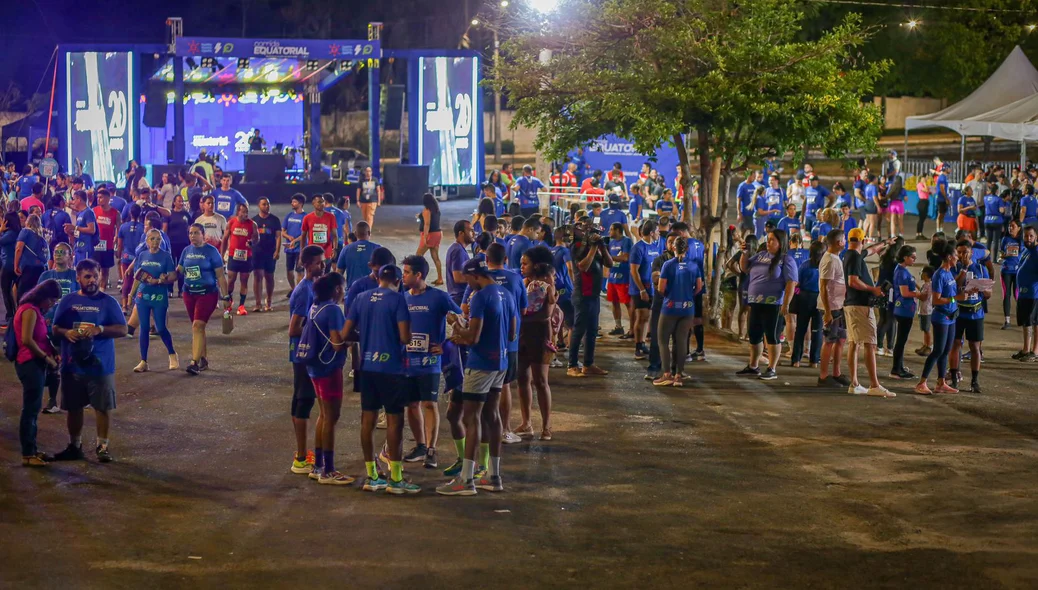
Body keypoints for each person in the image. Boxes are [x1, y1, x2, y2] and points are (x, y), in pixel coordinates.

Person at [439, 258, 515, 496]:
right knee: (492, 417)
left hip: (481, 363)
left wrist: (456, 325)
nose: (467, 284)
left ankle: (467, 480)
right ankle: (494, 476)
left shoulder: (481, 297)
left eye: (467, 279)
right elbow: (512, 332)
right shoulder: (506, 294)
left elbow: (472, 337)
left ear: (475, 276)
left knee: (472, 419)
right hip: (501, 363)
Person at [344, 264, 418, 494]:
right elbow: (405, 337)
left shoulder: (361, 298)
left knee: (368, 420)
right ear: (397, 280)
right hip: (391, 368)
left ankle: (372, 475)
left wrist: (366, 336)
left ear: (378, 278)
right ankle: (396, 478)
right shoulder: (398, 300)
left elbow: (346, 333)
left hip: (366, 367)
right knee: (395, 421)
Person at [49, 259, 128, 463]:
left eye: (95, 275)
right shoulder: (68, 301)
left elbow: (123, 329)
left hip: (101, 366)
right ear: (78, 278)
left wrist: (100, 329)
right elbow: (55, 329)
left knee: (102, 407)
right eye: (87, 276)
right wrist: (67, 333)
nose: (92, 280)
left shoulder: (109, 302)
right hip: (72, 365)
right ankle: (75, 446)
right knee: (74, 408)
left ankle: (103, 447)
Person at [401, 255, 461, 468]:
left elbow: (461, 318)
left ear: (419, 275)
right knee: (411, 404)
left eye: (407, 272)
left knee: (429, 403)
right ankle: (419, 446)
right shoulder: (402, 298)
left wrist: (446, 344)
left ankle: (431, 450)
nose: (403, 275)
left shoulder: (439, 297)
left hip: (430, 363)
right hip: (407, 362)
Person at [301, 271, 354, 486]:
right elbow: (336, 343)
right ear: (338, 289)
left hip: (314, 368)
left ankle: (318, 466)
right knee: (332, 417)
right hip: (329, 369)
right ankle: (329, 471)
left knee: (323, 415)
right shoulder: (333, 310)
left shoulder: (315, 306)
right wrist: (350, 342)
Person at [13, 279, 62, 466]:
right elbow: (27, 340)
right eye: (51, 300)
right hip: (29, 363)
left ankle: (32, 450)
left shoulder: (35, 310)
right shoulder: (29, 311)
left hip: (34, 363)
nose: (52, 304)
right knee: (30, 410)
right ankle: (28, 454)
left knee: (33, 410)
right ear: (42, 296)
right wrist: (46, 358)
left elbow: (40, 337)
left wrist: (52, 352)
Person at [736, 229, 798, 381]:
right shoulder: (761, 255)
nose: (768, 242)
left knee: (772, 336)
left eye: (772, 240)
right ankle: (753, 366)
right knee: (754, 335)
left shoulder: (786, 260)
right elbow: (744, 268)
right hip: (755, 302)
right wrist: (744, 253)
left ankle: (772, 368)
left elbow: (791, 283)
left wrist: (786, 303)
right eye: (768, 239)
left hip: (773, 304)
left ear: (780, 242)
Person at [286, 245, 325, 477]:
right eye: (319, 262)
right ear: (307, 264)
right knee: (304, 402)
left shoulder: (311, 287)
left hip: (303, 353)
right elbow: (294, 328)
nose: (323, 265)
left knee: (301, 401)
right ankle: (301, 458)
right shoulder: (303, 291)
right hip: (303, 354)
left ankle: (302, 454)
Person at [842, 228, 894, 397]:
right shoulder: (855, 257)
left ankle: (855, 383)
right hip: (860, 305)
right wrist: (874, 289)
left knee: (854, 343)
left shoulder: (852, 255)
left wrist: (886, 242)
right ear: (862, 240)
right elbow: (853, 281)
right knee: (870, 343)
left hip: (853, 304)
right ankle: (874, 384)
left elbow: (871, 250)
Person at [178, 223, 231, 375]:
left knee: (197, 326)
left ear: (203, 234)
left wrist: (225, 296)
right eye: (190, 233)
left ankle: (194, 362)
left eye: (195, 233)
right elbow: (179, 270)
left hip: (207, 294)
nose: (192, 236)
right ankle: (203, 359)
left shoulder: (212, 251)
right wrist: (166, 276)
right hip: (189, 294)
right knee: (198, 328)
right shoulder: (186, 251)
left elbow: (220, 276)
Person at [515, 246, 557, 439]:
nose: (521, 266)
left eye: (525, 263)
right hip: (522, 333)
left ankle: (547, 426)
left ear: (537, 265)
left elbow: (547, 311)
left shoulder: (548, 284)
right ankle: (526, 423)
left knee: (540, 381)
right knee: (523, 379)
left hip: (539, 335)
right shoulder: (523, 283)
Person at [653, 235, 703, 387]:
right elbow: (699, 287)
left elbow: (661, 288)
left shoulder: (668, 265)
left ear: (674, 247)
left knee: (662, 340)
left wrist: (669, 294)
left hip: (670, 308)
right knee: (681, 341)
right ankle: (679, 376)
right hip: (687, 308)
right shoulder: (694, 265)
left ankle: (667, 373)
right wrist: (688, 295)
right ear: (687, 249)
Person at [128, 229, 178, 373]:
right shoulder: (142, 255)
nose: (155, 242)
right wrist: (131, 295)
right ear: (147, 241)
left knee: (161, 328)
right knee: (143, 328)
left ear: (161, 241)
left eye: (158, 239)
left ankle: (172, 354)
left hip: (159, 296)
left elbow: (173, 275)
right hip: (143, 296)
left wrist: (164, 279)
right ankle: (143, 361)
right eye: (152, 239)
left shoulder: (166, 256)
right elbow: (138, 276)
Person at [916, 242, 964, 394]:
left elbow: (952, 290)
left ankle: (940, 382)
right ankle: (922, 383)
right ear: (949, 257)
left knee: (946, 350)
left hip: (951, 317)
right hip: (941, 317)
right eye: (956, 255)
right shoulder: (939, 274)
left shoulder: (950, 272)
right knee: (937, 350)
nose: (958, 258)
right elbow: (936, 300)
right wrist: (955, 298)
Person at [568, 219, 613, 376]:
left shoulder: (598, 247)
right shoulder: (577, 247)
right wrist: (593, 247)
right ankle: (572, 365)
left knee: (592, 331)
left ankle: (588, 364)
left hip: (593, 295)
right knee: (579, 330)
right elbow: (583, 266)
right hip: (582, 294)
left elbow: (610, 263)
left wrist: (602, 247)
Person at [947, 240, 990, 393]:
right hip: (959, 312)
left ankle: (975, 381)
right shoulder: (954, 268)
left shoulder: (980, 268)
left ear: (972, 252)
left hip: (976, 313)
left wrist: (979, 288)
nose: (962, 255)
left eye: (965, 251)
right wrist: (963, 270)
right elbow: (953, 289)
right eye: (959, 252)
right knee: (955, 345)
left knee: (975, 347)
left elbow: (988, 294)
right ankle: (953, 379)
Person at [628, 220, 660, 361]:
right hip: (640, 289)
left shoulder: (654, 246)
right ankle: (638, 347)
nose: (659, 233)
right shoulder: (638, 248)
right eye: (657, 231)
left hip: (652, 289)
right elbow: (634, 271)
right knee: (641, 316)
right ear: (651, 233)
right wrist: (641, 289)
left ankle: (642, 343)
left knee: (647, 317)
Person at [890, 245, 923, 380]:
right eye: (912, 257)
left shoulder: (901, 270)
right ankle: (896, 369)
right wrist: (919, 295)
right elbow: (904, 292)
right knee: (901, 341)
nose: (914, 260)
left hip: (904, 309)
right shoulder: (902, 273)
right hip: (903, 309)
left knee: (901, 340)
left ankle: (899, 367)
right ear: (905, 257)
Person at [791, 241, 825, 368]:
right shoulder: (825, 267)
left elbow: (797, 282)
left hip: (804, 298)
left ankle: (796, 360)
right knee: (817, 331)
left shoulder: (805, 265)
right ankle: (814, 361)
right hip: (820, 299)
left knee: (800, 329)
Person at [222, 203, 257, 316]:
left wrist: (252, 242)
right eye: (243, 212)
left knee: (244, 280)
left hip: (246, 257)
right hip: (233, 256)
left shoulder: (252, 224)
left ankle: (241, 306)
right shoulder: (231, 222)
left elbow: (257, 238)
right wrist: (222, 255)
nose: (245, 214)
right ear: (238, 212)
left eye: (247, 212)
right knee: (231, 280)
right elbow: (225, 238)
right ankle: (230, 300)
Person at [251, 198, 281, 312]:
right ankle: (257, 303)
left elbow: (278, 236)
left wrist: (277, 251)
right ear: (259, 205)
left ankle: (268, 301)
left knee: (269, 277)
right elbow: (251, 237)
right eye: (264, 204)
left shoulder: (274, 220)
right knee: (257, 276)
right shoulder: (254, 221)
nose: (267, 206)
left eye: (268, 204)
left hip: (270, 252)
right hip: (257, 252)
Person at [606, 222, 634, 337]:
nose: (609, 231)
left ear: (618, 230)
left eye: (611, 229)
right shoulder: (610, 242)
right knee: (614, 302)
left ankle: (632, 329)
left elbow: (625, 257)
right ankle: (618, 327)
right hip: (612, 277)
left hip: (624, 277)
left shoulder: (626, 241)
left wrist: (610, 258)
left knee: (628, 303)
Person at [1015, 225, 1038, 361]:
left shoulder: (1036, 252)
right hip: (1024, 294)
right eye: (1026, 236)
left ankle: (1035, 352)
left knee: (1035, 323)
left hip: (1034, 294)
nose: (1028, 238)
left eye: (1031, 236)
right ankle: (1025, 349)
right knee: (1026, 322)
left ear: (1036, 237)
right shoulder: (1026, 250)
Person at [301, 194, 339, 272]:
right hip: (312, 254)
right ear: (313, 203)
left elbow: (335, 235)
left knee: (325, 278)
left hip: (326, 254)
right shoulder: (307, 218)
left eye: (323, 202)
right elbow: (303, 236)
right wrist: (302, 252)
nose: (322, 204)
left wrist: (334, 249)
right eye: (319, 202)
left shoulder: (331, 217)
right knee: (313, 277)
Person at [91, 188, 120, 289]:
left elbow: (119, 229)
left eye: (101, 197)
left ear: (108, 199)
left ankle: (102, 290)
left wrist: (116, 239)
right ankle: (95, 289)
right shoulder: (94, 211)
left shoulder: (115, 213)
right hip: (96, 245)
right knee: (94, 269)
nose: (98, 199)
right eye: (98, 197)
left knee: (105, 270)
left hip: (108, 246)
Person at [336, 220, 380, 287]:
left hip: (352, 291)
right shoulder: (377, 248)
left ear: (355, 234)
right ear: (369, 233)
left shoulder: (346, 249)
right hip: (372, 292)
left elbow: (338, 273)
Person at [165, 195, 192, 297]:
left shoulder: (186, 214)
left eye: (182, 201)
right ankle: (169, 290)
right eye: (179, 201)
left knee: (181, 268)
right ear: (174, 202)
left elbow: (190, 229)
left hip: (183, 244)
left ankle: (181, 290)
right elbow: (165, 229)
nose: (181, 203)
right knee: (171, 267)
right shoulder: (169, 214)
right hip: (171, 244)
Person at [16, 213, 49, 296]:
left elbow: (19, 249)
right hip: (41, 269)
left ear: (28, 222)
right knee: (36, 294)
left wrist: (16, 265)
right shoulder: (42, 238)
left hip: (28, 269)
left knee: (23, 294)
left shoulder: (25, 231)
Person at [281, 194, 308, 294]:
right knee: (289, 271)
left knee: (300, 271)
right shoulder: (289, 215)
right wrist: (288, 237)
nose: (292, 203)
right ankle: (294, 288)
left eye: (295, 202)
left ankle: (299, 291)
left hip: (300, 249)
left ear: (300, 203)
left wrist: (295, 240)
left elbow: (306, 234)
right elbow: (283, 231)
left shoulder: (305, 217)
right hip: (289, 249)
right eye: (292, 202)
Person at [1000, 219, 1023, 330]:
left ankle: (1022, 319)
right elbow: (1001, 254)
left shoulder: (1022, 240)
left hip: (1018, 271)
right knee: (1006, 295)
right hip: (1006, 270)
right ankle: (1007, 320)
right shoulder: (1005, 239)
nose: (1010, 228)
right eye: (1009, 226)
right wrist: (1003, 256)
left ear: (1019, 228)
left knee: (1018, 295)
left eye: (1013, 226)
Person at [0, 212, 22, 325]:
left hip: (8, 265)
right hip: (15, 265)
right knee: (14, 291)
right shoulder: (18, 233)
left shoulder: (9, 234)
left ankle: (10, 315)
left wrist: (0, 229)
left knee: (6, 290)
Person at [322, 193, 351, 265]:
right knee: (336, 265)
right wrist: (347, 241)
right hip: (338, 241)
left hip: (325, 241)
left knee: (325, 264)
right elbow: (345, 228)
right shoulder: (340, 212)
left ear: (325, 201)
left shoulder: (322, 212)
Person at [983, 187, 1008, 261]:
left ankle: (986, 258)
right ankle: (994, 259)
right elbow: (1001, 210)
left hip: (987, 220)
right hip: (997, 220)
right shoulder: (998, 199)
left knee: (989, 240)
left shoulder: (985, 198)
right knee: (996, 240)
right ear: (997, 191)